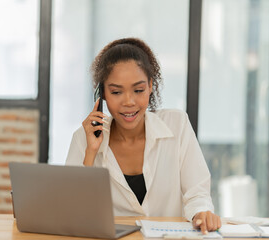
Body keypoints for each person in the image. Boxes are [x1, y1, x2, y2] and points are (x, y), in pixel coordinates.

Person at [65, 37, 221, 234]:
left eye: (138, 90)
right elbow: (72, 212)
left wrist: (201, 212)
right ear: (101, 94)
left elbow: (197, 193)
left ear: (150, 87)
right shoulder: (85, 138)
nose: (129, 101)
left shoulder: (177, 124)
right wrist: (91, 153)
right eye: (116, 92)